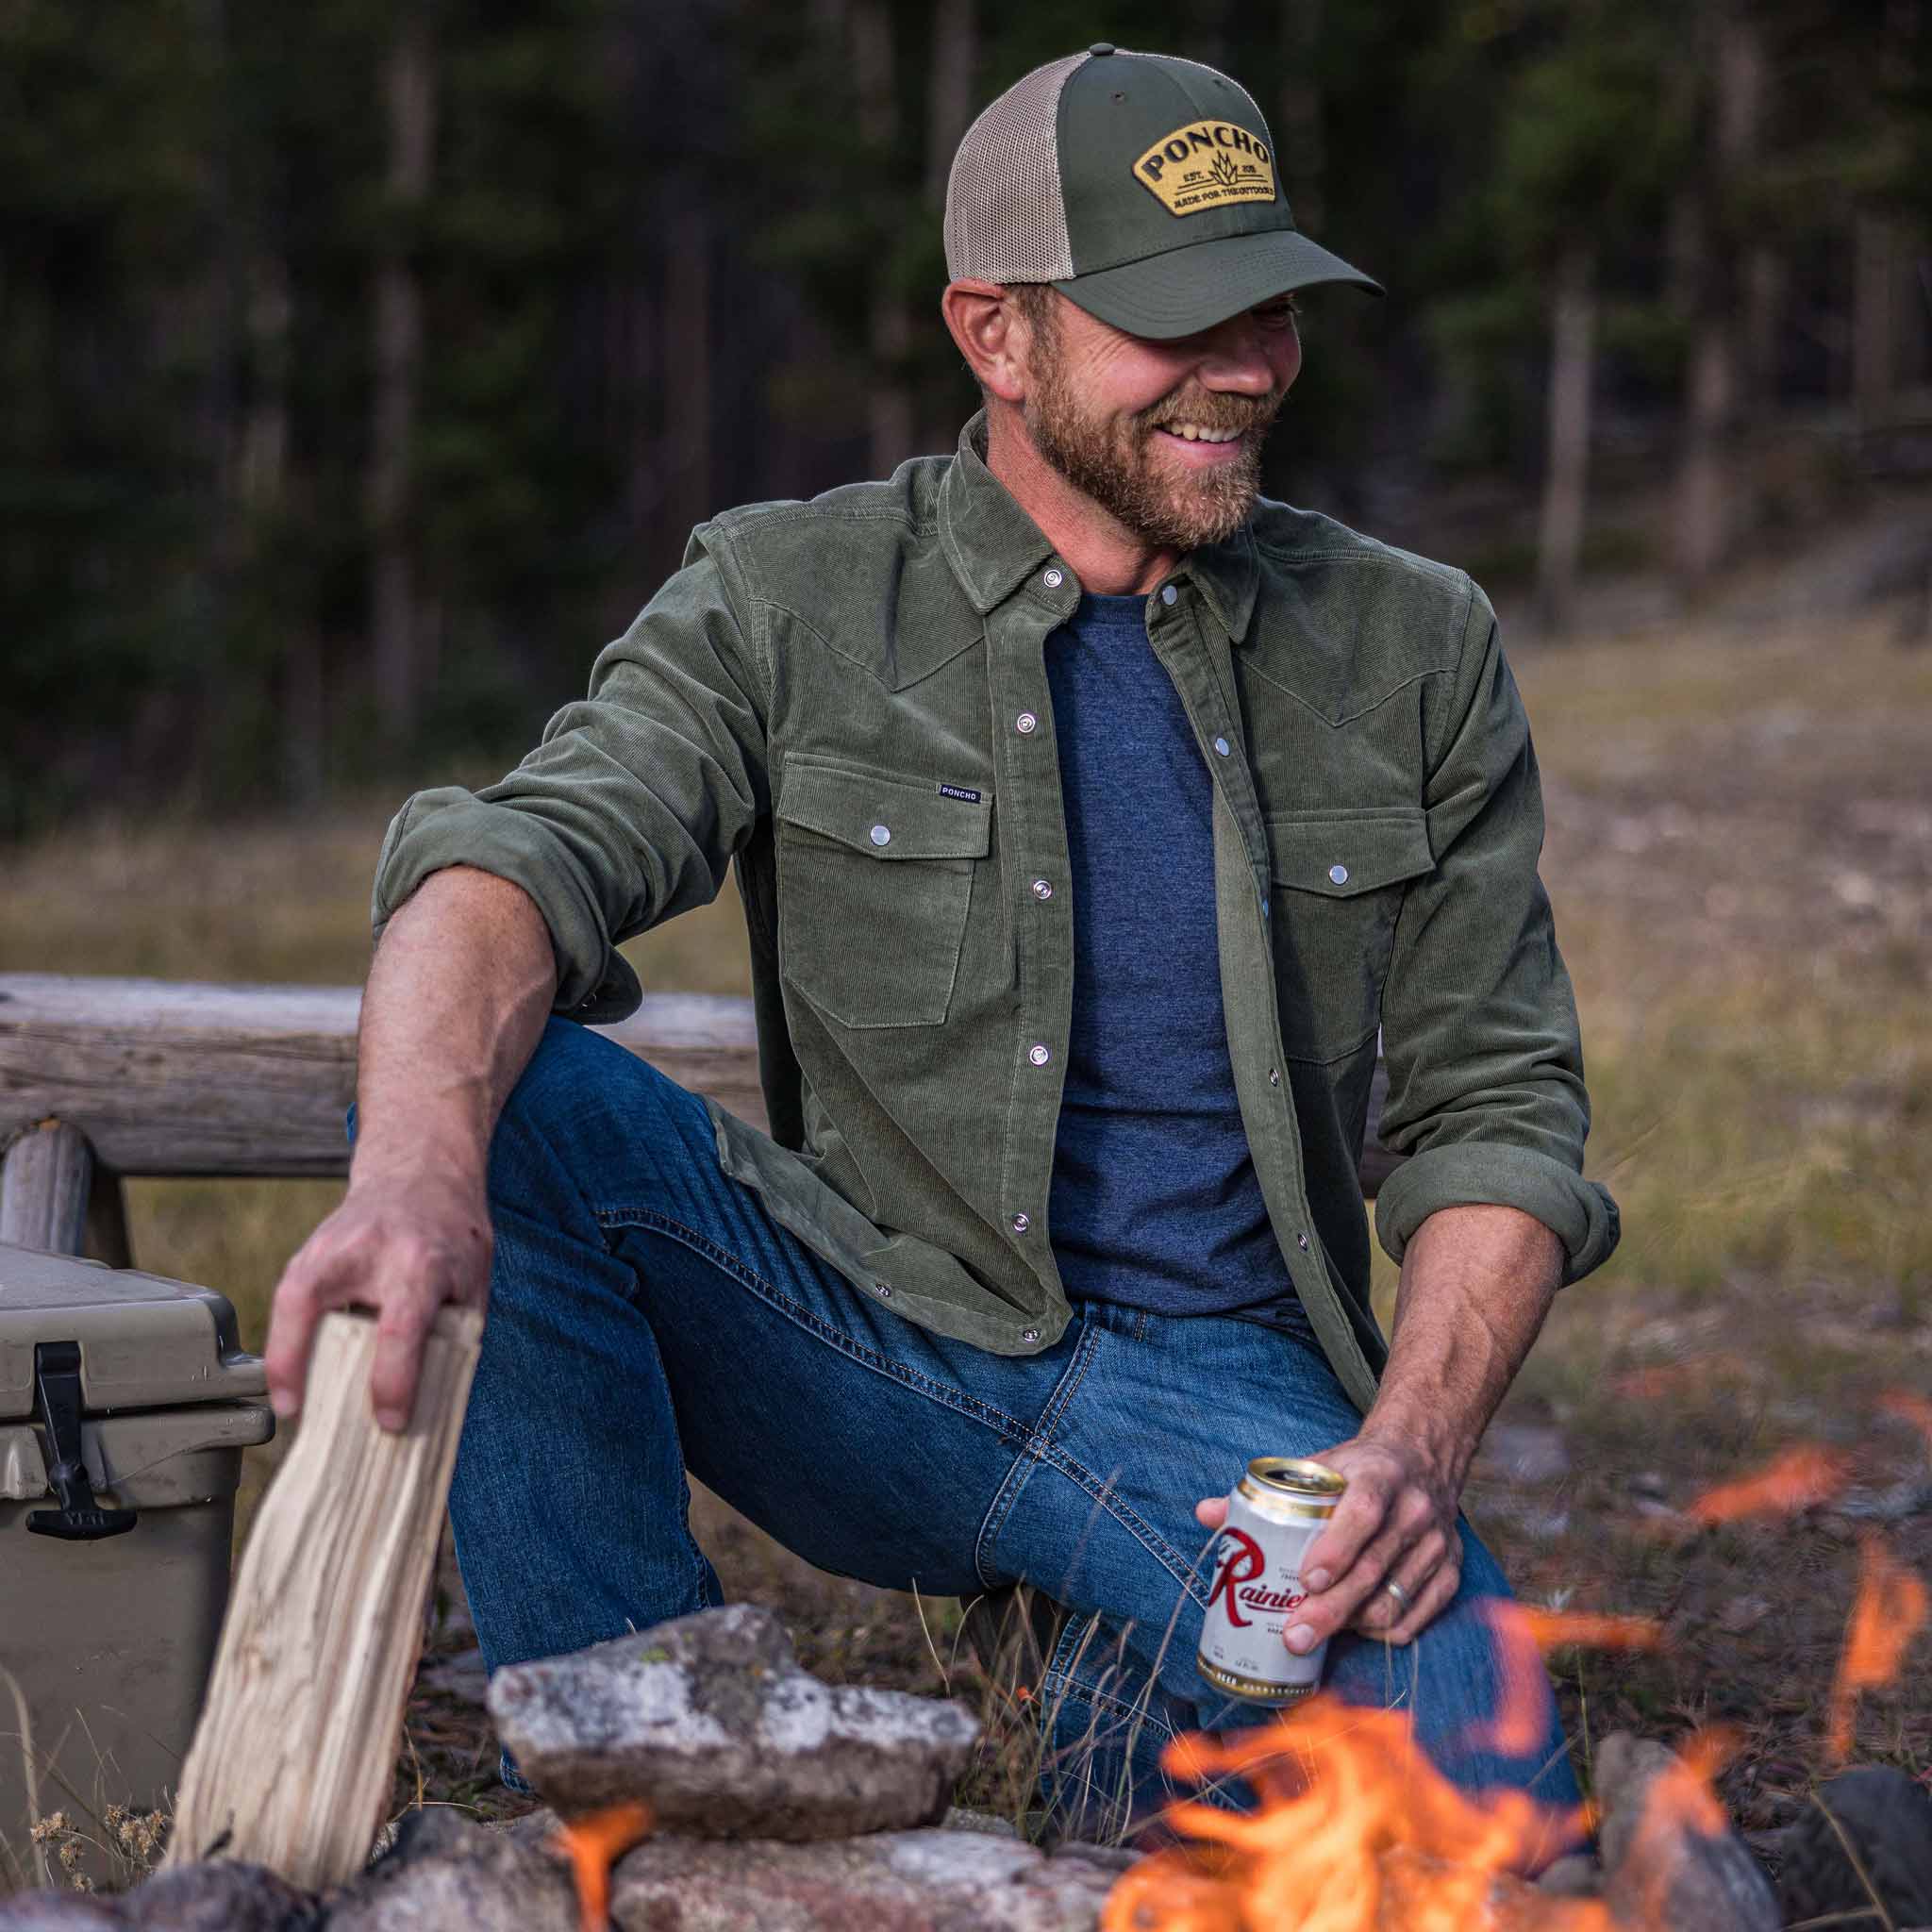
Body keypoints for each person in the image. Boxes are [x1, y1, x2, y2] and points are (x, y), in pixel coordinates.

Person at [264, 45, 1618, 1839]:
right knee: (520, 1114)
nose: (1249, 368)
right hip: (866, 1341)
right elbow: (514, 862)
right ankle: (632, 1770)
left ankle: (1113, 1682)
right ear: (996, 333)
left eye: (1273, 309)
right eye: (1178, 319)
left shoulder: (1412, 644)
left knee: (1487, 1826)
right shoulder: (787, 593)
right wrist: (412, 1167)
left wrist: (1411, 1452)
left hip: (1236, 1415)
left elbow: (1495, 1103)